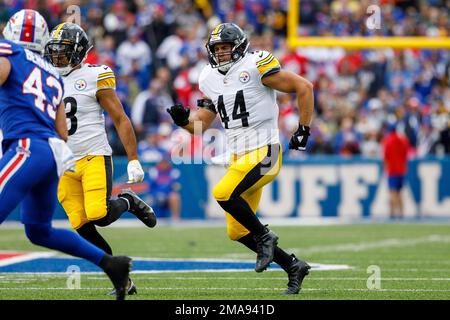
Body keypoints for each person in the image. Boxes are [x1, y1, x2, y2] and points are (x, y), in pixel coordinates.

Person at [167, 23, 313, 294]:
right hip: (238, 157)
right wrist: (182, 120)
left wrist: (303, 129)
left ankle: (266, 235)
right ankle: (293, 265)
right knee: (237, 232)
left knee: (223, 193)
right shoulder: (208, 77)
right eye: (217, 48)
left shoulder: (256, 65)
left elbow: (304, 87)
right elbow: (201, 125)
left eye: (226, 47)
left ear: (240, 46)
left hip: (265, 152)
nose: (221, 53)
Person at [0, 10, 130, 300]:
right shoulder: (51, 75)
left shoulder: (9, 52)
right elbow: (61, 130)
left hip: (27, 146)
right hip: (52, 154)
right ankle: (111, 264)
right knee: (39, 231)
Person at [44, 22, 157, 296]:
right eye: (55, 51)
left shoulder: (96, 76)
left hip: (94, 154)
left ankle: (127, 200)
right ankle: (120, 279)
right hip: (64, 162)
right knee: (80, 224)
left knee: (100, 215)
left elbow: (119, 117)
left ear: (80, 52)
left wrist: (133, 158)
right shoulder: (44, 76)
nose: (58, 57)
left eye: (64, 51)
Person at [382, 123, 410, 219]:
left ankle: (392, 213)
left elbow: (385, 156)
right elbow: (406, 154)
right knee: (400, 192)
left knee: (392, 192)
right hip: (402, 169)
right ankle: (401, 213)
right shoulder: (403, 140)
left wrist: (386, 168)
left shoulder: (387, 140)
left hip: (392, 170)